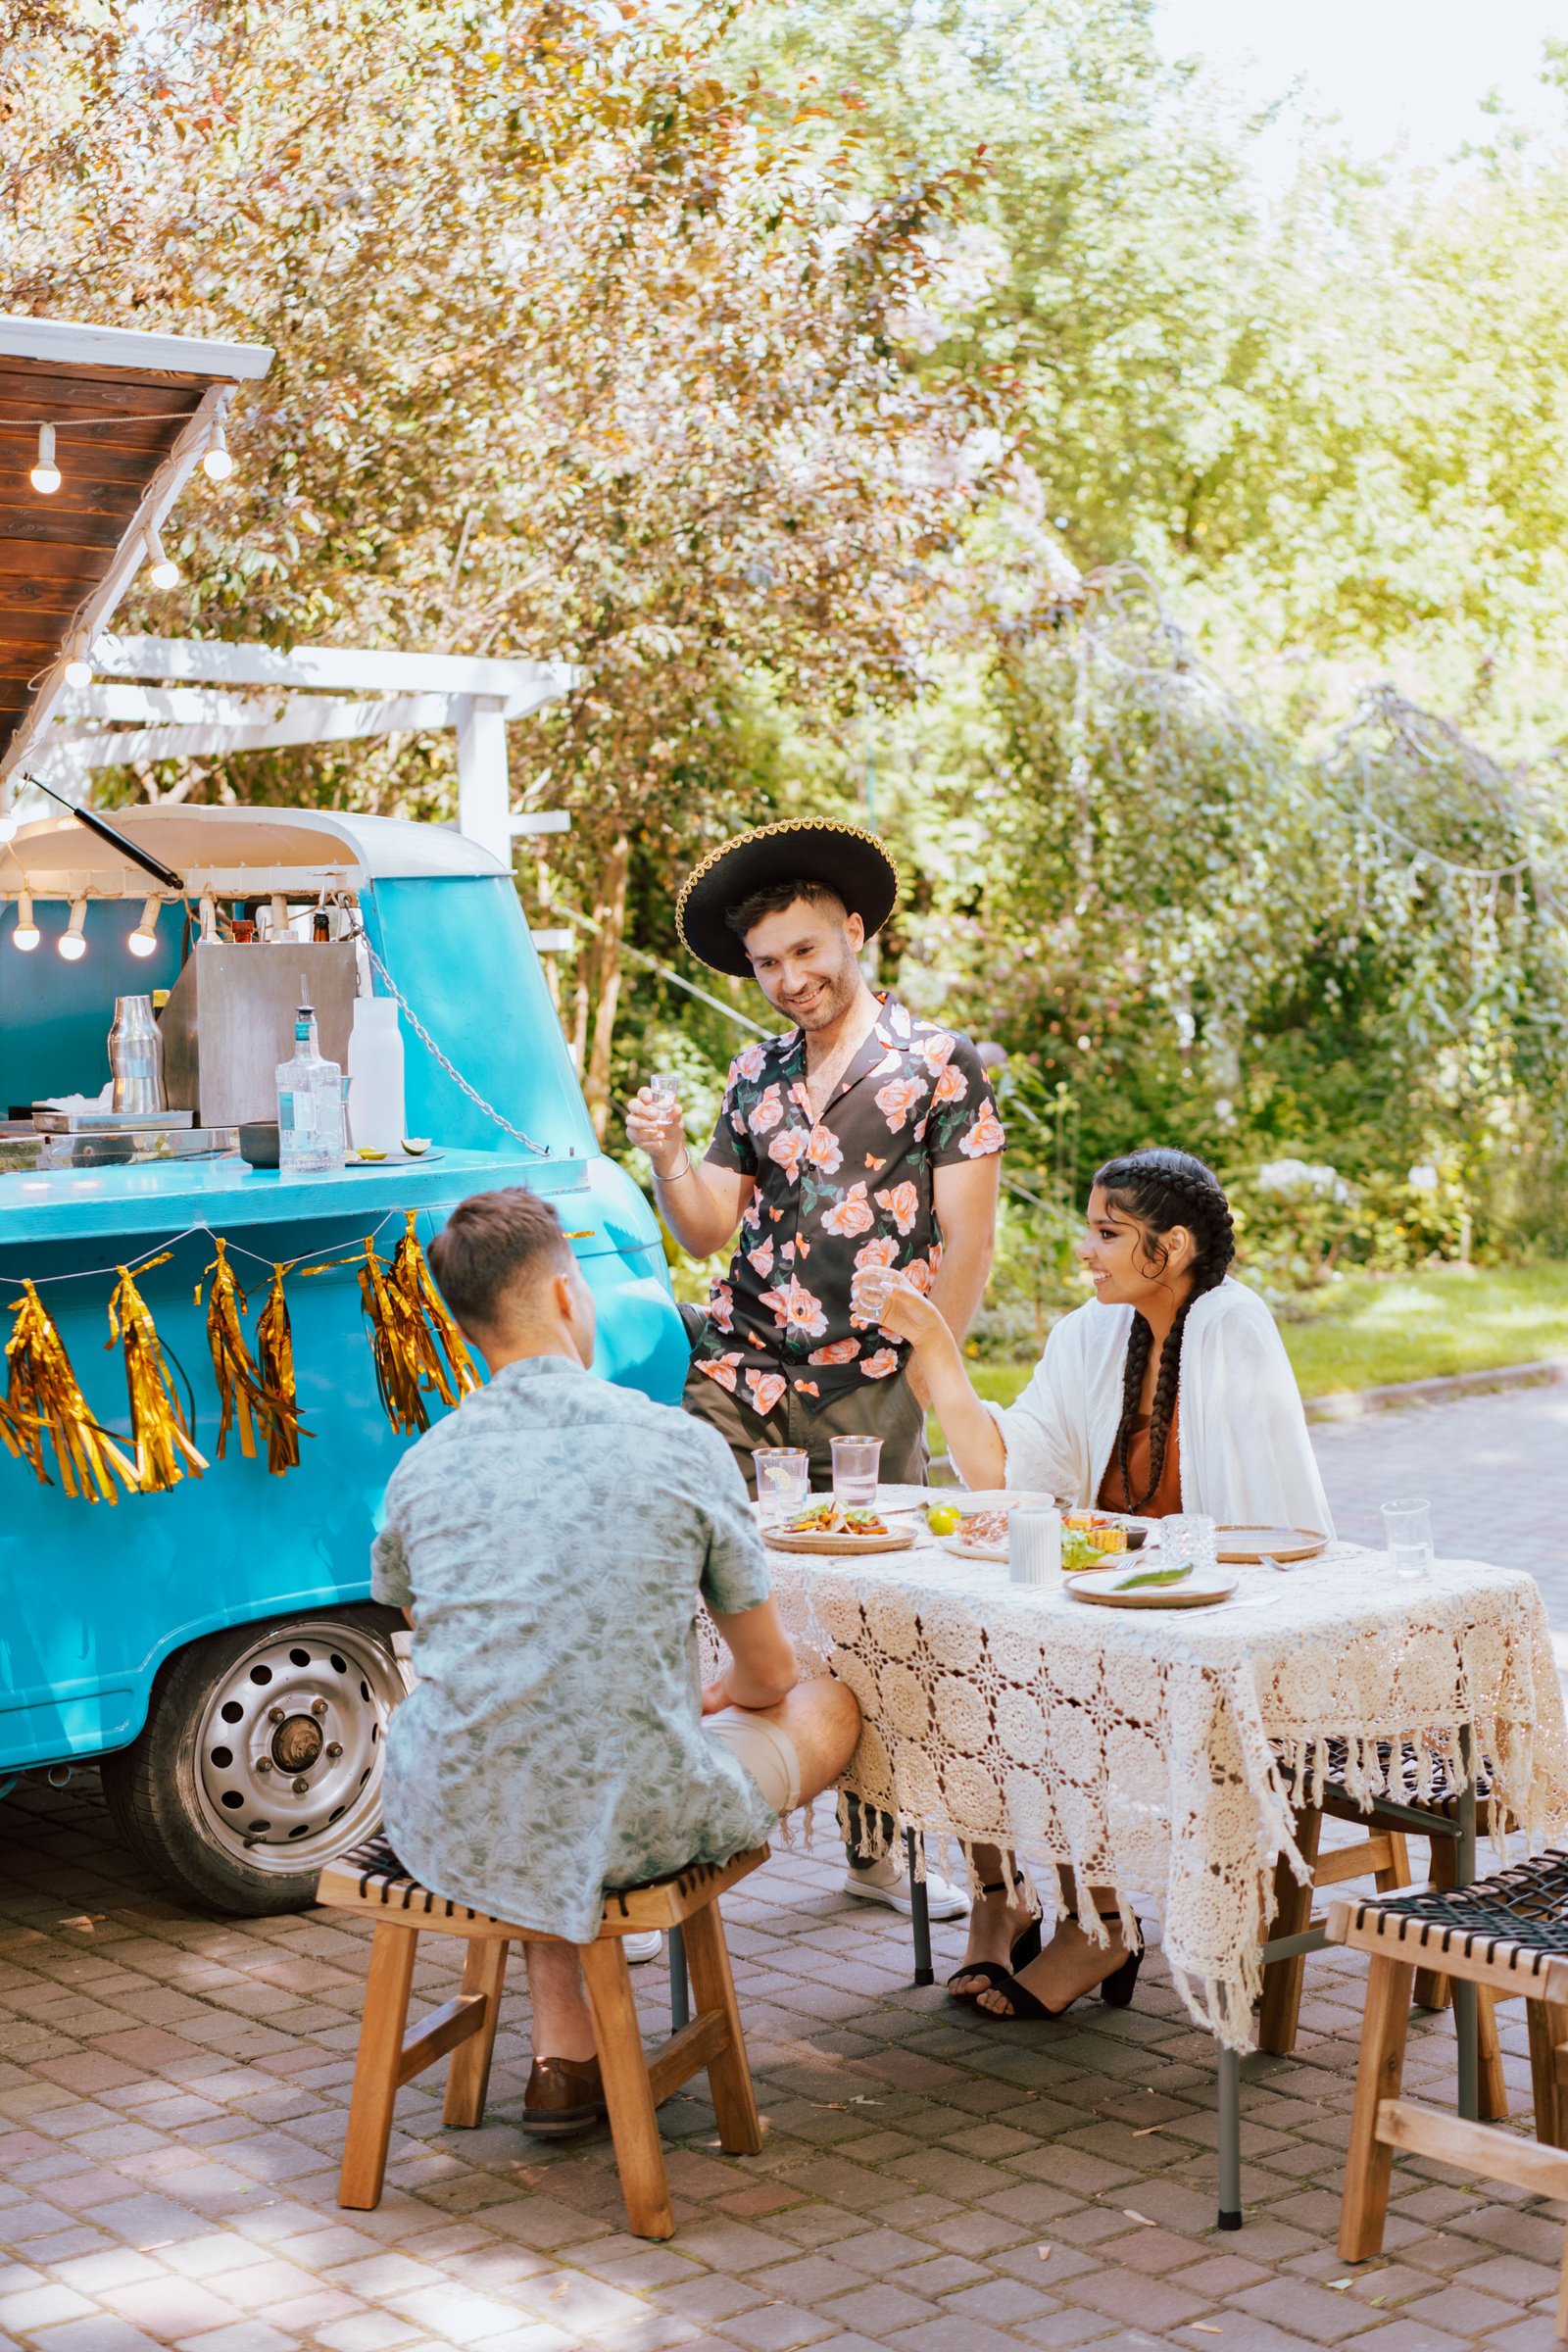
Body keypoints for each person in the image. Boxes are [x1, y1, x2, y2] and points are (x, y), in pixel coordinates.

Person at [370, 1187, 860, 2136]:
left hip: (451, 1811)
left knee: (550, 1750)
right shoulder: (675, 1445)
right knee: (828, 1702)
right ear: (564, 1297)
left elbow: (426, 1618)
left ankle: (567, 2059)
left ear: (462, 1324)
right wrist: (714, 1696)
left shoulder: (421, 1466)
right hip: (630, 1815)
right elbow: (767, 1675)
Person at [852, 1146, 1333, 2023]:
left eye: (1109, 1234)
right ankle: (1007, 1897)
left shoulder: (1233, 1326)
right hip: (1104, 1613)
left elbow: (1267, 1534)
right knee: (957, 1666)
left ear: (1175, 1246)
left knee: (1049, 1684)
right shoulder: (1089, 1333)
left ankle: (1101, 1924)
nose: (1086, 1252)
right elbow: (1009, 1478)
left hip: (1209, 1631)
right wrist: (935, 1348)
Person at [625, 817, 1004, 1920]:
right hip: (739, 1373)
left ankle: (881, 1849)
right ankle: (651, 1851)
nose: (788, 979)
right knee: (664, 1575)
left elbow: (966, 1245)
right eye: (766, 963)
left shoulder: (939, 1065)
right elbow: (704, 1232)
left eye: (804, 950)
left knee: (885, 1617)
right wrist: (663, 1156)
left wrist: (936, 1370)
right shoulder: (755, 1074)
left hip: (873, 1383)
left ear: (854, 930)